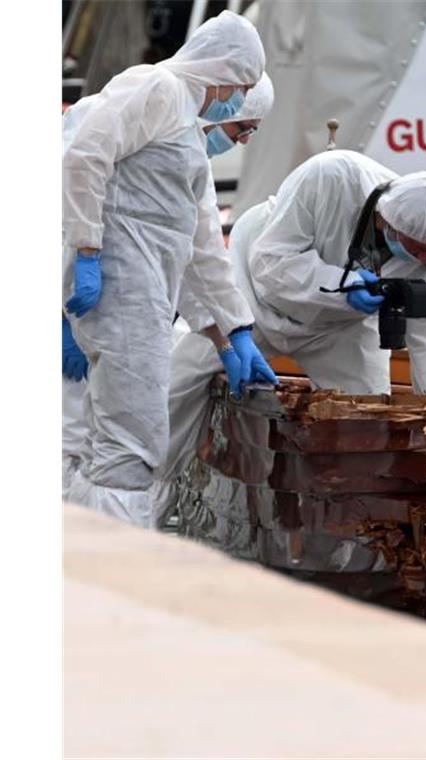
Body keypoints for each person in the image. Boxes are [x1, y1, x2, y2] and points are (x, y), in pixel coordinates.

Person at [151, 150, 426, 519]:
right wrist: (340, 285)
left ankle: (357, 528)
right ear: (387, 221)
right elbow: (270, 262)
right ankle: (137, 509)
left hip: (339, 328)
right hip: (251, 297)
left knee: (365, 423)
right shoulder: (330, 177)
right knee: (175, 385)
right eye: (418, 247)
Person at [62, 11, 278, 528]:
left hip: (139, 299)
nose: (236, 102)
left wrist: (232, 334)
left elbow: (200, 250)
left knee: (118, 439)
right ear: (223, 71)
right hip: (113, 291)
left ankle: (90, 553)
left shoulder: (187, 138)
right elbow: (83, 160)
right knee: (123, 442)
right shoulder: (157, 87)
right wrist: (85, 256)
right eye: (240, 92)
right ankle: (115, 563)